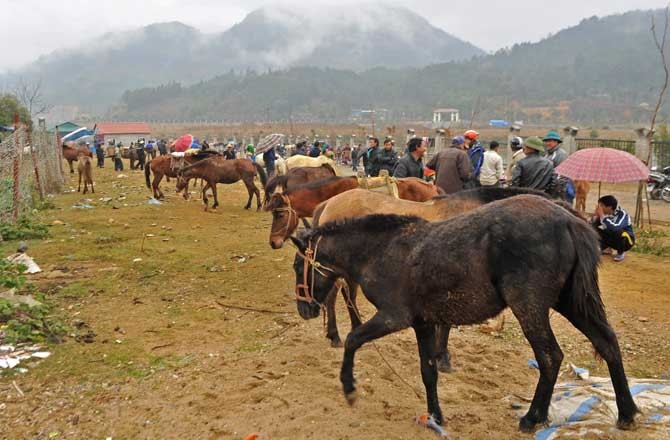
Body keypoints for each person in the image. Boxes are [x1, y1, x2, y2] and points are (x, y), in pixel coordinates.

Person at [591, 195, 635, 262]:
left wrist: (602, 216)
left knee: (618, 231)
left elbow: (616, 227)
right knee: (593, 228)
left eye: (601, 205)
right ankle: (606, 249)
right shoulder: (605, 214)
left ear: (609, 207)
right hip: (613, 240)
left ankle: (620, 253)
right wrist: (595, 216)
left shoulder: (622, 214)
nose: (600, 208)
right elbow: (591, 225)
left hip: (627, 242)